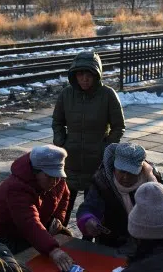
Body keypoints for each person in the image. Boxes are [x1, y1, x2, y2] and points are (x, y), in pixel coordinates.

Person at [52, 51, 125, 221]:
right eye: (80, 74)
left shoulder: (107, 95)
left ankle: (89, 241)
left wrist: (105, 147)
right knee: (61, 210)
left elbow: (118, 126)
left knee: (92, 211)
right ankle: (58, 240)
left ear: (96, 74)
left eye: (89, 74)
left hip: (96, 163)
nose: (84, 78)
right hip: (70, 161)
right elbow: (57, 122)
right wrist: (61, 142)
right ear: (74, 75)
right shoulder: (66, 95)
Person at [0, 145, 75, 272]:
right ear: (36, 172)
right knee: (23, 271)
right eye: (50, 176)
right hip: (2, 236)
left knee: (65, 240)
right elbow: (29, 222)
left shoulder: (57, 179)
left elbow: (64, 197)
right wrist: (53, 250)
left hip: (27, 230)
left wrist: (57, 218)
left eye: (58, 176)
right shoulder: (16, 187)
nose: (55, 181)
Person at [76, 142, 163, 248]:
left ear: (140, 169)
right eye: (121, 171)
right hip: (113, 243)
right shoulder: (102, 181)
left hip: (151, 243)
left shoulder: (156, 179)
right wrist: (88, 219)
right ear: (114, 166)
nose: (125, 177)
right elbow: (89, 207)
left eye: (131, 173)